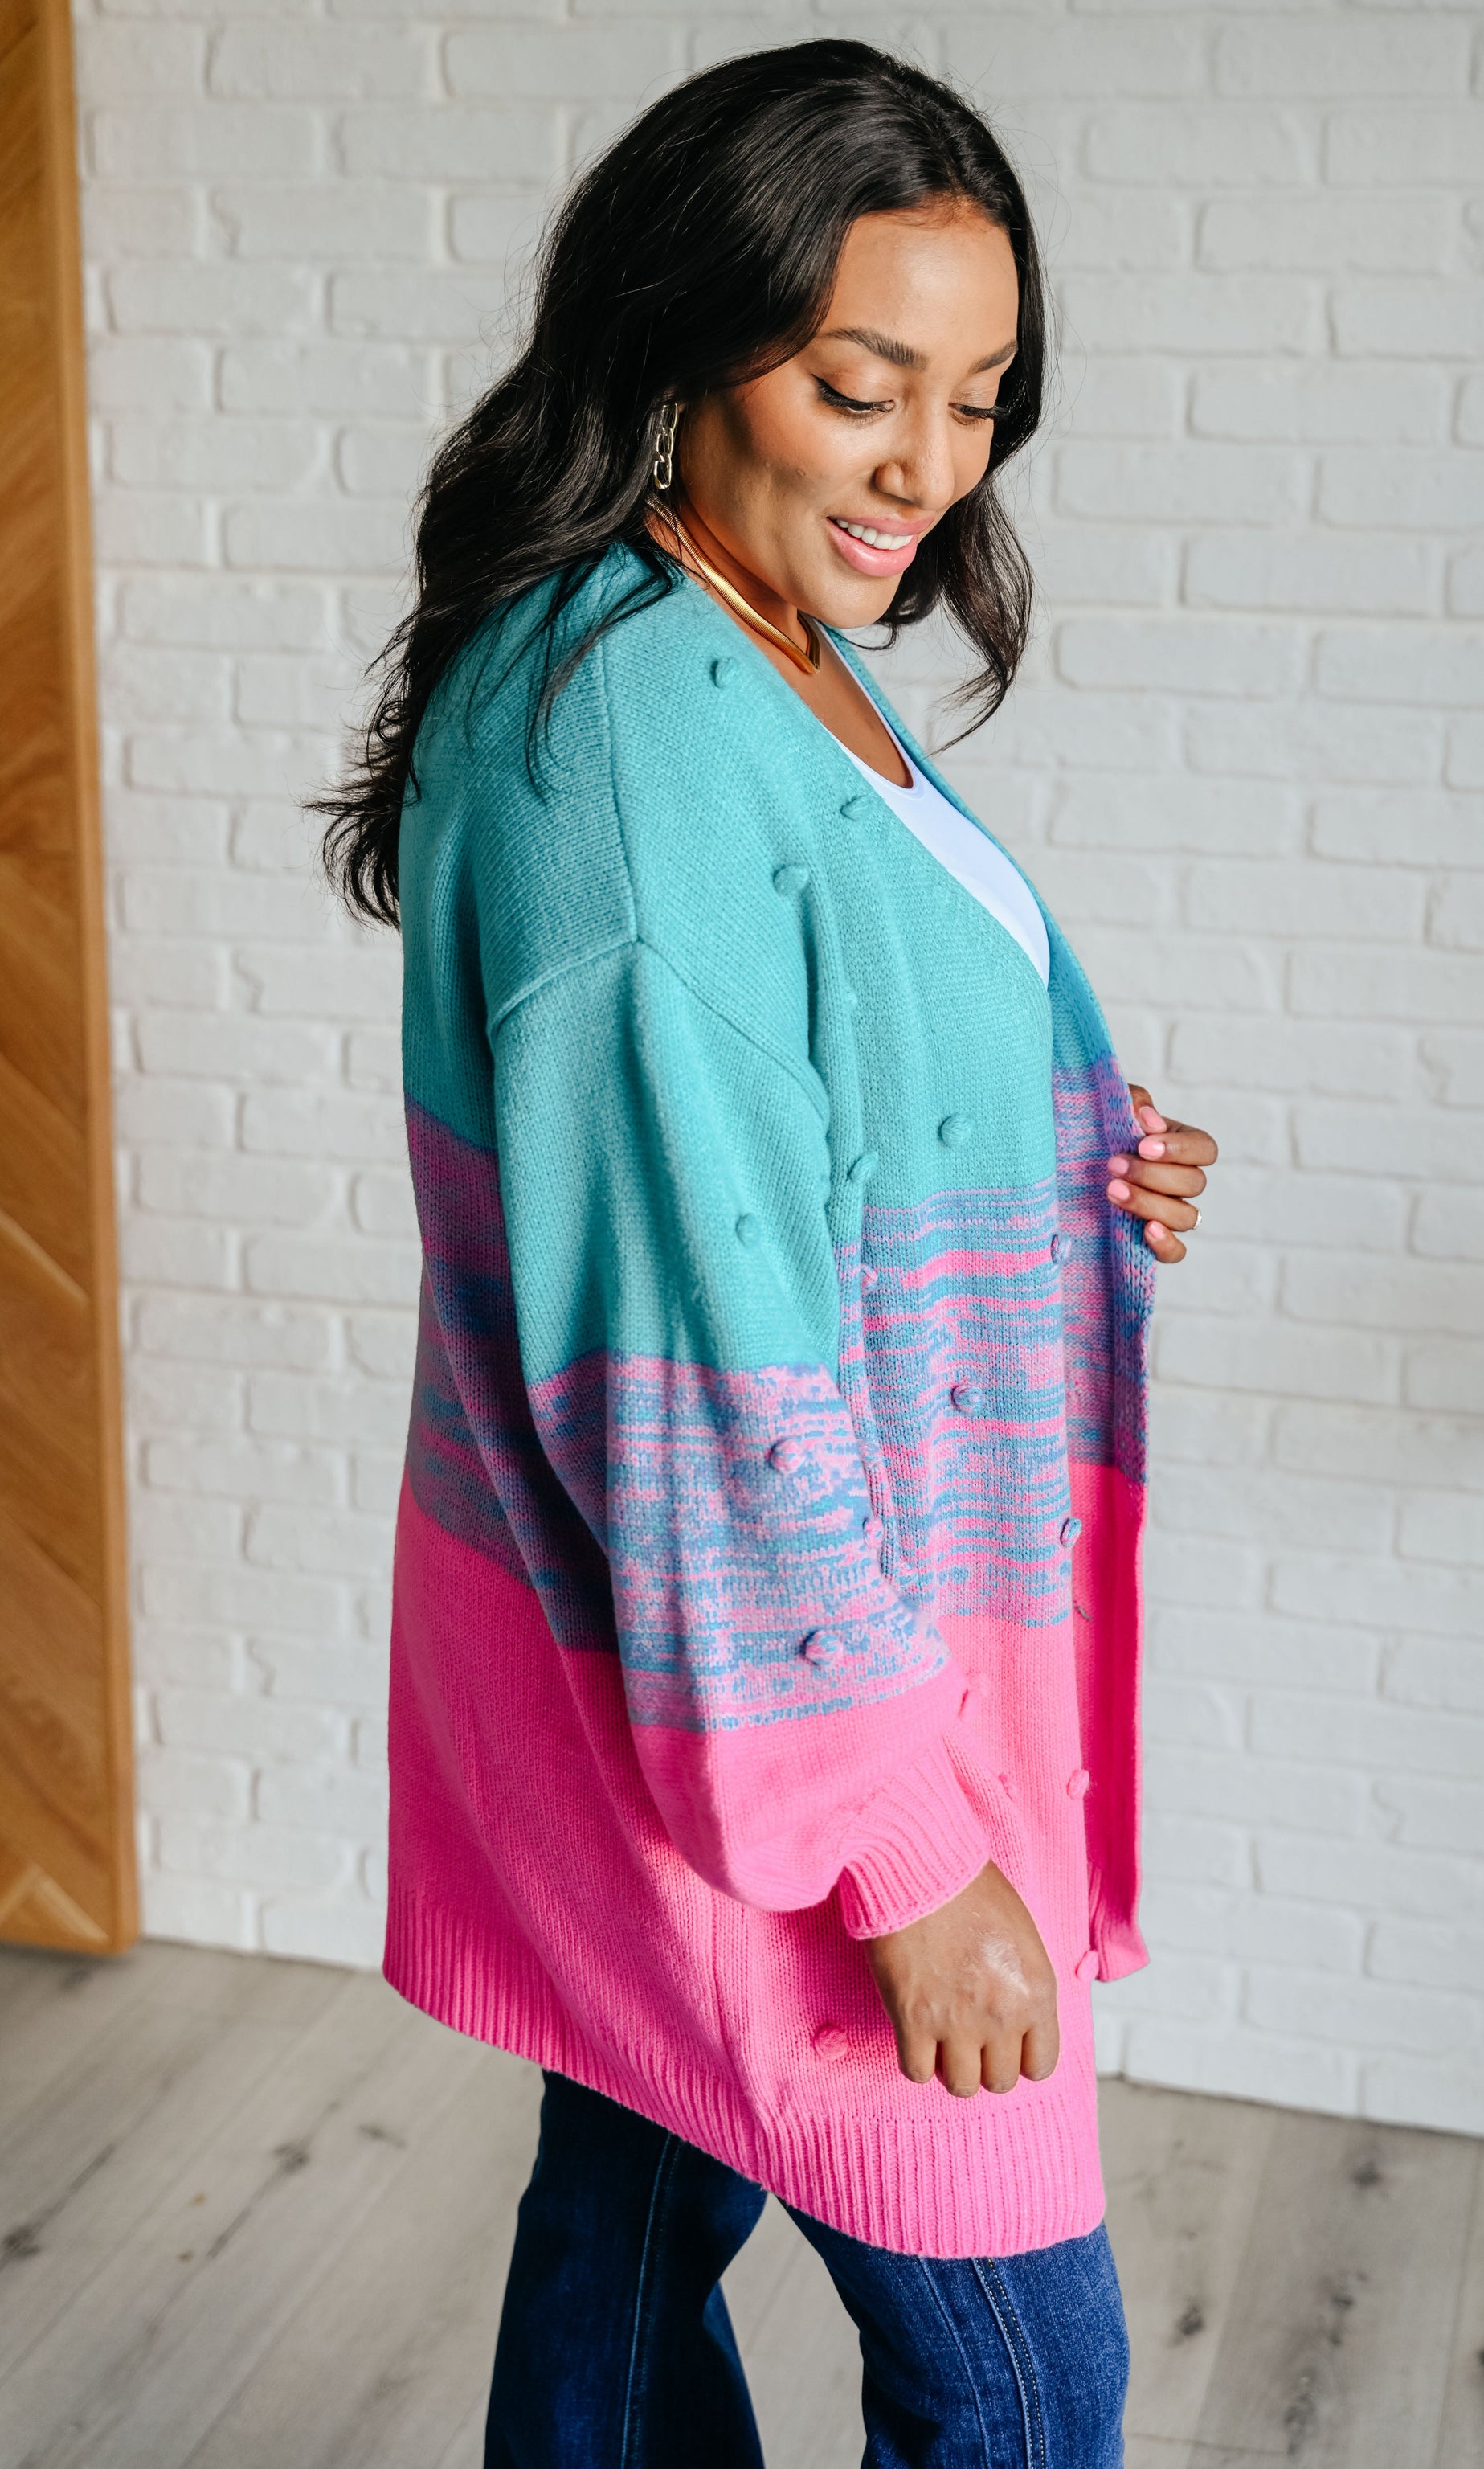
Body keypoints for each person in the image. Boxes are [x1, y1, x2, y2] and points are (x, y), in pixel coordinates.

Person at [319, 38, 1216, 2469]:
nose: (931, 465)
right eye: (859, 385)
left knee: (633, 2205)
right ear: (682, 339)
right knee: (1028, 2382)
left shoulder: (743, 634)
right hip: (793, 1711)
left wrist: (1060, 1162)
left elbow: (783, 1118)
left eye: (980, 398)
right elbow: (694, 1361)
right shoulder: (632, 746)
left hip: (703, 1683)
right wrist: (908, 1860)